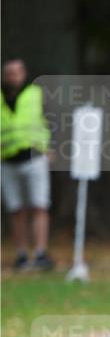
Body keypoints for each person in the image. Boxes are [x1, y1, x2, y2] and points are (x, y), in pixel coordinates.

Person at [1, 58, 54, 271]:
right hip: (6, 160)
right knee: (15, 209)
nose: (13, 76)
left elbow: (54, 119)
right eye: (9, 73)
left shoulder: (36, 94)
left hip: (35, 157)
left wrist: (53, 147)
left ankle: (41, 253)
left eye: (17, 72)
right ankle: (21, 254)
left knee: (39, 205)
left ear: (24, 73)